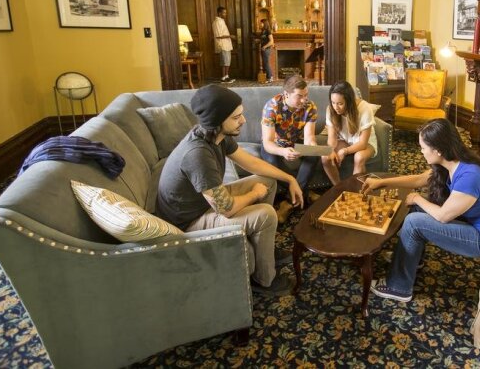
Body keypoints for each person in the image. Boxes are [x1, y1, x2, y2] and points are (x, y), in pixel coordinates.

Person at [156, 84, 304, 296]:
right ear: (217, 121)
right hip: (187, 223)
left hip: (203, 204)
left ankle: (264, 248)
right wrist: (255, 194)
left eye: (240, 114)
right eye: (236, 117)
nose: (243, 120)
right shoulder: (198, 155)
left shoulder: (216, 136)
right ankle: (264, 280)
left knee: (267, 181)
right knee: (266, 214)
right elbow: (226, 209)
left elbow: (252, 163)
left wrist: (289, 179)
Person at [362, 118, 480, 302]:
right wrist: (381, 182)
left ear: (438, 150)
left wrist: (417, 198)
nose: (420, 151)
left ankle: (398, 287)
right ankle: (412, 259)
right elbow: (419, 179)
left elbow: (443, 216)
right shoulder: (454, 161)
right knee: (418, 209)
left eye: (423, 147)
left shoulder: (469, 176)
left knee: (414, 221)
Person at [260, 75, 319, 222]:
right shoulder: (272, 107)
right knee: (271, 162)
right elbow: (267, 142)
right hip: (275, 144)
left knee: (314, 155)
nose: (304, 100)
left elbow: (309, 137)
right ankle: (305, 193)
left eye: (306, 95)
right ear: (286, 94)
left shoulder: (310, 107)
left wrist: (312, 148)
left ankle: (287, 203)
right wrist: (283, 151)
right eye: (299, 96)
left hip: (296, 142)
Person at [321, 81, 377, 185]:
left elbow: (363, 143)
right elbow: (332, 139)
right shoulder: (330, 109)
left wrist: (345, 151)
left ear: (349, 101)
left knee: (359, 157)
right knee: (326, 156)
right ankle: (338, 187)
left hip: (366, 143)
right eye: (333, 102)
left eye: (340, 103)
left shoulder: (364, 108)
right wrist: (331, 150)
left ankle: (356, 190)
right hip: (345, 140)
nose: (336, 107)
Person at [212, 6, 235, 83]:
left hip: (226, 44)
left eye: (225, 13)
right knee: (224, 62)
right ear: (219, 13)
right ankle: (223, 77)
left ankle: (226, 76)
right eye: (224, 13)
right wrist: (230, 36)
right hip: (222, 45)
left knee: (227, 61)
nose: (225, 14)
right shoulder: (217, 22)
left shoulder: (221, 21)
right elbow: (218, 35)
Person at [259, 19, 275, 83]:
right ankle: (267, 78)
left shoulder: (268, 31)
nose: (260, 24)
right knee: (264, 63)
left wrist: (264, 47)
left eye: (261, 23)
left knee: (266, 63)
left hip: (266, 49)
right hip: (263, 49)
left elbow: (271, 41)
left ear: (264, 23)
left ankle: (270, 77)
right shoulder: (263, 31)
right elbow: (264, 39)